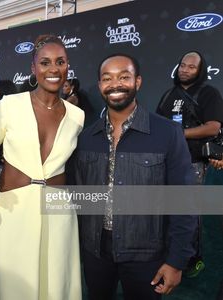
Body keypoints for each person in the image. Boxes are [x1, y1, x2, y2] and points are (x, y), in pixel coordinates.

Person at [67, 53, 198, 299]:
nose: (115, 84)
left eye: (124, 77)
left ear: (137, 82)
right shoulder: (85, 138)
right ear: (100, 86)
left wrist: (177, 260)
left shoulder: (167, 133)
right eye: (108, 78)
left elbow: (185, 200)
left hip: (146, 255)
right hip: (96, 253)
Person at [0, 34, 84, 300]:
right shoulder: (10, 105)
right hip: (12, 211)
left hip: (58, 214)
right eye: (45, 62)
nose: (53, 69)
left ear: (67, 66)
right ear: (33, 68)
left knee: (54, 282)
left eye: (60, 62)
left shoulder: (77, 116)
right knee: (13, 286)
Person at [156, 51, 223, 276]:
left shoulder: (208, 93)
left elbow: (213, 127)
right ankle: (168, 255)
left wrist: (179, 134)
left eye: (191, 67)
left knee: (188, 212)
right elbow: (158, 125)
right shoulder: (168, 94)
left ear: (200, 70)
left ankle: (192, 258)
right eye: (182, 65)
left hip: (192, 163)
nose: (185, 70)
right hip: (165, 162)